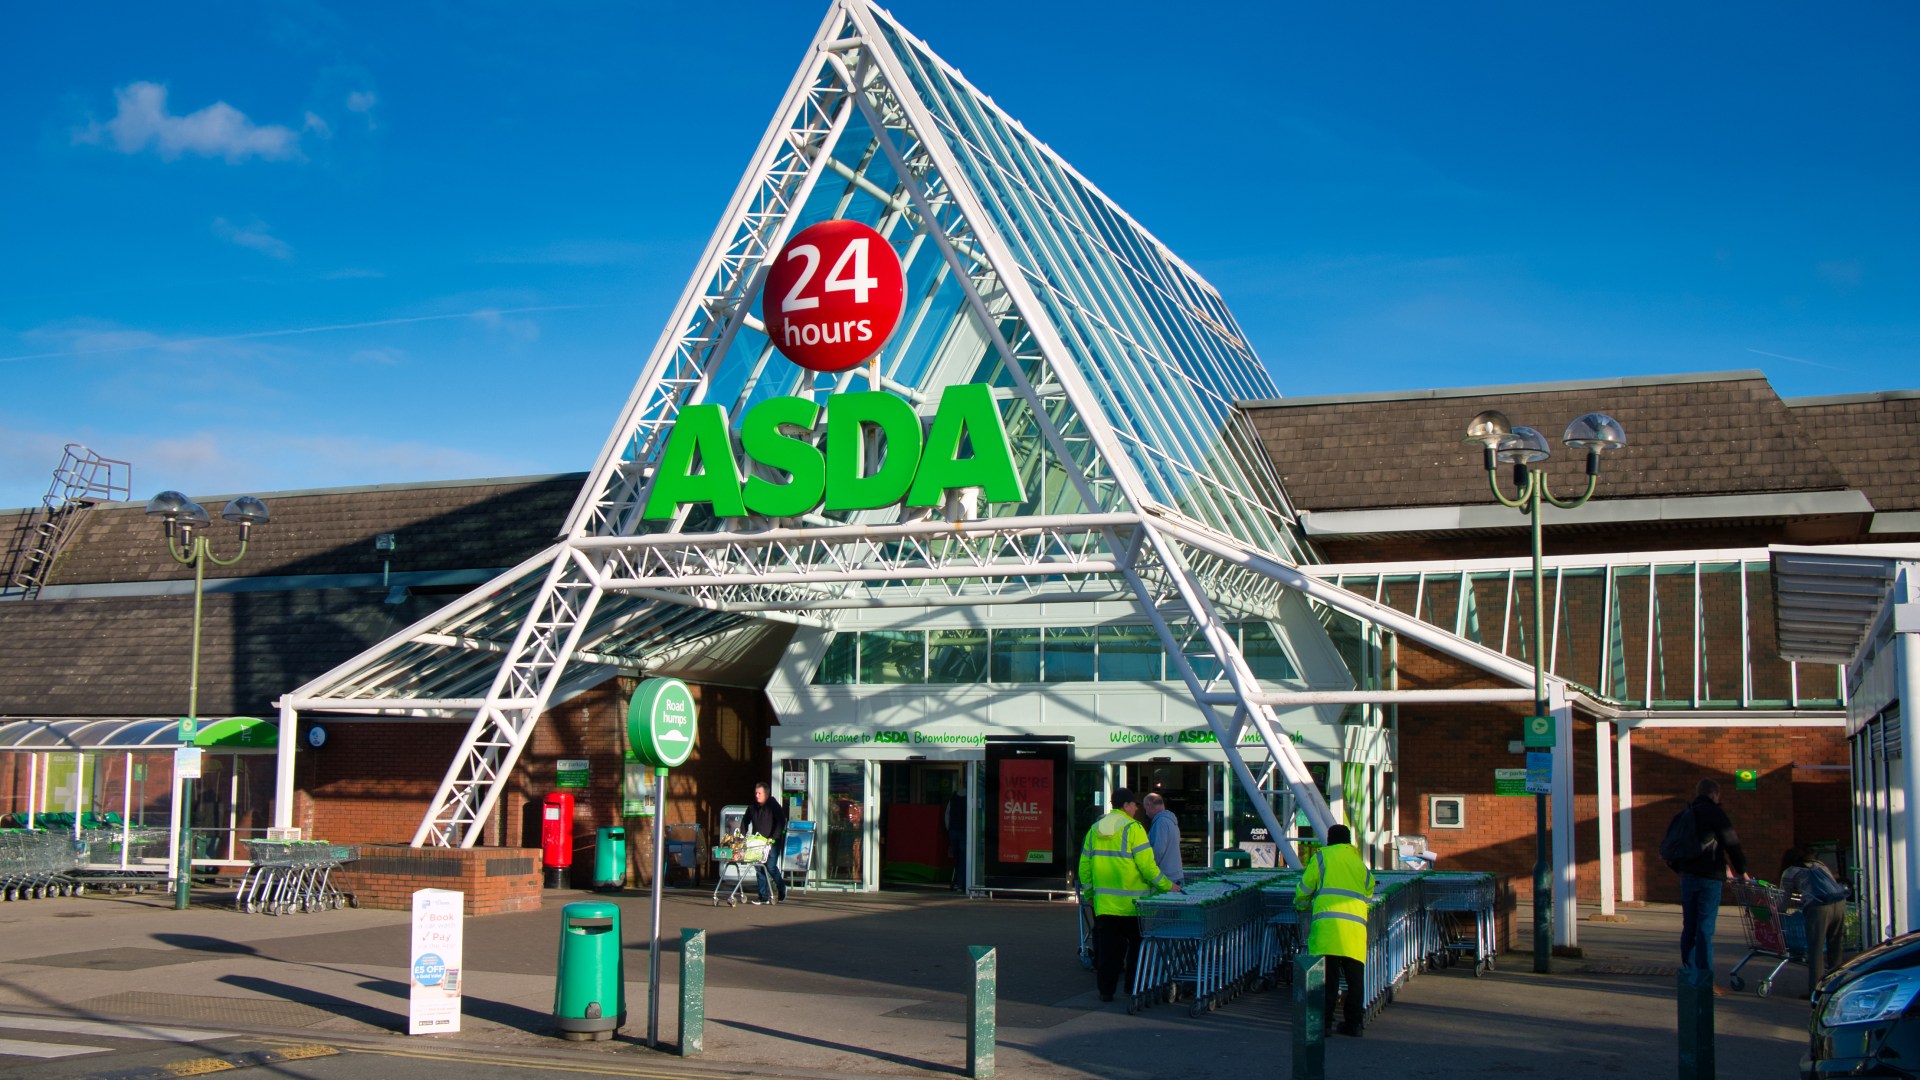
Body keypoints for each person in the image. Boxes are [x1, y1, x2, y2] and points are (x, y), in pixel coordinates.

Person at [1077, 787, 1179, 1003]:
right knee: (1136, 946)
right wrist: (1167, 886)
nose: (1135, 809)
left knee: (1107, 951)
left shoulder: (1094, 830)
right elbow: (1148, 866)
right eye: (1134, 804)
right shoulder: (1134, 829)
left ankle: (1106, 991)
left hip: (1104, 904)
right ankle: (1133, 987)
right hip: (1133, 905)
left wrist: (1089, 894)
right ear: (1125, 805)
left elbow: (1084, 866)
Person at [1296, 823, 1376, 1036]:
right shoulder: (1357, 862)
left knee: (1328, 981)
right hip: (1355, 930)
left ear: (1329, 840)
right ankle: (1353, 1024)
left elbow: (1305, 886)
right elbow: (1370, 887)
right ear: (1348, 841)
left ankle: (1324, 1024)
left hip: (1328, 929)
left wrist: (1301, 904)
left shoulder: (1322, 858)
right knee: (1355, 981)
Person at [1670, 778, 1750, 988]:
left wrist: (1681, 869)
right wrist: (1741, 871)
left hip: (1687, 876)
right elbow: (1731, 842)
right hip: (1710, 877)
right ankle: (1705, 977)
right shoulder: (1715, 813)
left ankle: (1689, 972)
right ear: (1714, 794)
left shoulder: (1687, 813)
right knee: (1704, 927)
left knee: (1689, 925)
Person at [1781, 847, 1848, 992]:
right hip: (1839, 903)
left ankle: (1816, 991)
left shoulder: (1790, 871)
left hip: (1819, 908)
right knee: (1835, 946)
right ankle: (1837, 987)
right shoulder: (1820, 865)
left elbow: (1784, 900)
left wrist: (1777, 913)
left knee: (1816, 950)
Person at [746, 781, 787, 905]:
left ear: (766, 794)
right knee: (759, 868)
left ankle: (781, 889)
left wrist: (773, 837)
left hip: (772, 842)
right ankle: (762, 896)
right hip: (758, 842)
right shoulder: (753, 806)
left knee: (770, 866)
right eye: (756, 793)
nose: (757, 795)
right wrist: (742, 835)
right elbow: (745, 820)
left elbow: (781, 822)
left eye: (759, 793)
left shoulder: (773, 805)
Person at [1141, 793, 1184, 887]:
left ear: (1149, 805)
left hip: (1166, 877)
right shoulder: (1171, 821)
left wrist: (1149, 871)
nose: (1146, 813)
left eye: (1145, 808)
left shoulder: (1160, 823)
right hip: (1175, 874)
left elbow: (1158, 850)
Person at [945, 788, 968, 892]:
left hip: (953, 831)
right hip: (964, 831)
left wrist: (949, 828)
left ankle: (957, 882)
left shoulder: (953, 797)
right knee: (964, 858)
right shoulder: (970, 797)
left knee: (957, 858)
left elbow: (947, 814)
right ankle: (961, 884)